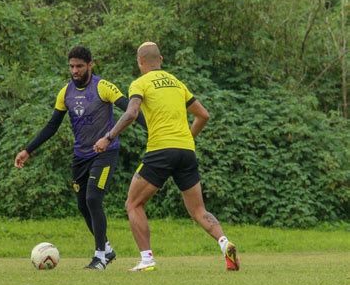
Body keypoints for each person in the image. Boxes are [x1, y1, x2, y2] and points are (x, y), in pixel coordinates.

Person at [94, 42, 240, 272]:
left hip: (160, 150)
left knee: (133, 203)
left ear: (140, 62)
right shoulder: (176, 83)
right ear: (160, 59)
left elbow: (131, 113)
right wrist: (186, 139)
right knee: (199, 211)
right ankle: (225, 244)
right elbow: (203, 115)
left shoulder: (140, 83)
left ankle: (147, 259)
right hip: (186, 151)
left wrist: (108, 137)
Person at [15, 45, 146, 270]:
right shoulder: (65, 93)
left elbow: (131, 111)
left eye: (79, 66)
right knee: (83, 205)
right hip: (80, 157)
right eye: (71, 66)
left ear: (90, 65)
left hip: (105, 152)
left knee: (94, 199)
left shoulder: (103, 87)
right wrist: (28, 149)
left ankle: (100, 257)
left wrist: (155, 132)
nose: (75, 71)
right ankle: (106, 248)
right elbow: (52, 125)